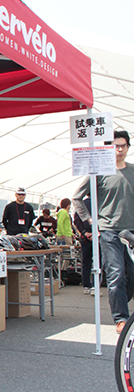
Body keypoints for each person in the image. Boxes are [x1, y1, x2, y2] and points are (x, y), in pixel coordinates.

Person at [72, 130, 134, 335]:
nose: (119, 149)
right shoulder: (99, 172)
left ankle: (122, 304)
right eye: (115, 145)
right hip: (108, 231)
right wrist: (91, 220)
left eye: (123, 145)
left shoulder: (133, 171)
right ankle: (121, 318)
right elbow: (77, 198)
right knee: (115, 273)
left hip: (131, 231)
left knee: (131, 274)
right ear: (108, 148)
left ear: (128, 147)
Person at [73, 198, 99, 295]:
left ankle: (87, 285)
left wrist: (84, 232)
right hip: (95, 235)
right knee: (98, 262)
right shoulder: (101, 200)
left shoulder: (82, 203)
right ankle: (95, 285)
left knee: (86, 261)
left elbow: (76, 220)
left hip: (86, 236)